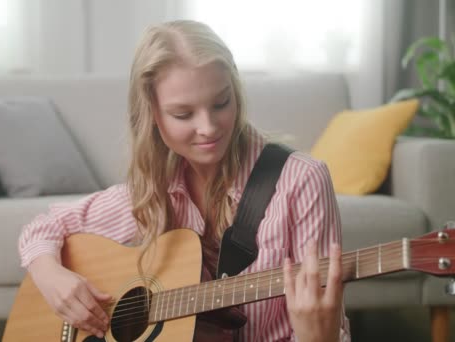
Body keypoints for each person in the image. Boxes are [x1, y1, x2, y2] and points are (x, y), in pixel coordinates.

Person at [18, 19, 350, 341]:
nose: (208, 127)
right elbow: (43, 228)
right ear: (153, 117)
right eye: (183, 114)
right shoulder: (154, 191)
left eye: (221, 103)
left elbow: (331, 325)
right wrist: (51, 276)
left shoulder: (302, 180)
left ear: (235, 91)